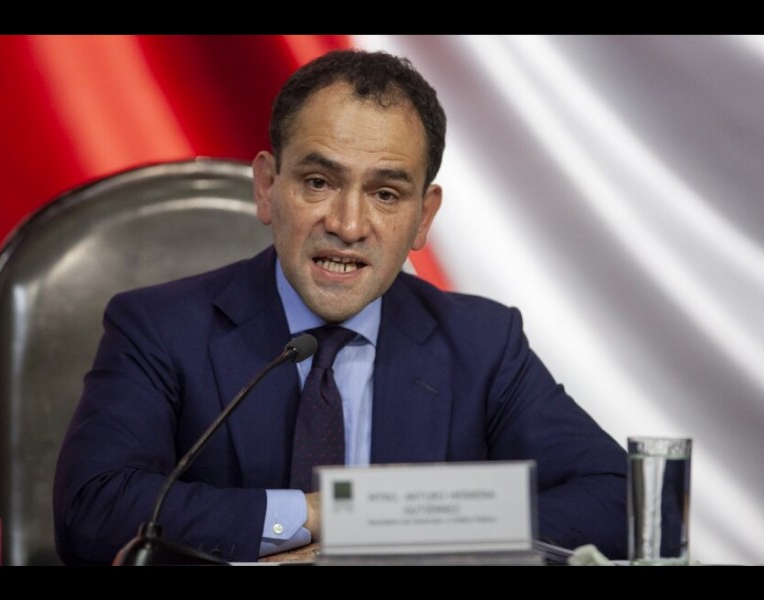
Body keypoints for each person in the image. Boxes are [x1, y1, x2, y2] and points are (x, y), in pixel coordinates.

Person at [53, 48, 628, 565]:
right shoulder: (159, 328)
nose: (348, 226)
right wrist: (321, 514)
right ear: (267, 187)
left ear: (423, 217)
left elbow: (624, 501)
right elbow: (93, 511)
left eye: (385, 194)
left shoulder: (482, 343)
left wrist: (400, 534)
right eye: (319, 182)